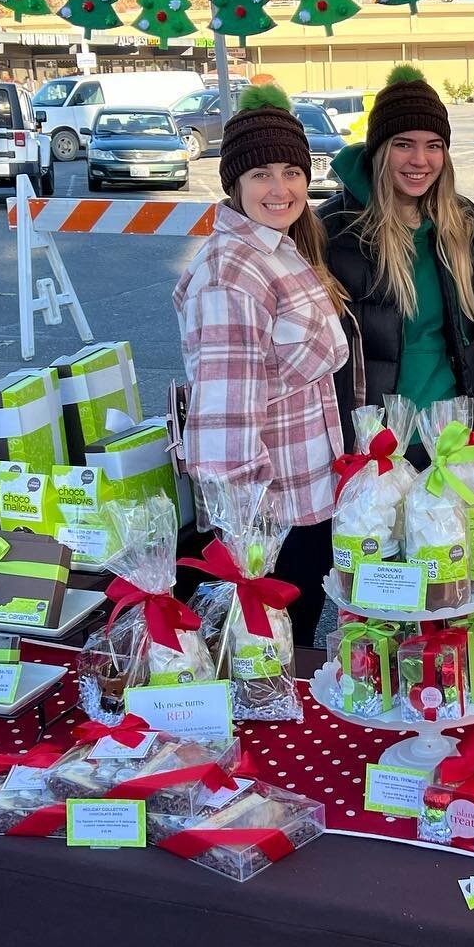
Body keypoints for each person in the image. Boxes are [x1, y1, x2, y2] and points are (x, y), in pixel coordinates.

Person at [173, 83, 348, 644]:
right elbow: (224, 426)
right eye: (261, 175)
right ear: (235, 184)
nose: (281, 188)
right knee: (266, 663)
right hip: (273, 522)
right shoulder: (233, 275)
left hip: (307, 499)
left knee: (286, 653)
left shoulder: (275, 246)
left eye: (292, 172)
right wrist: (251, 545)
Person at [319, 65, 474, 445]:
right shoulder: (334, 230)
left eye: (434, 145)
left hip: (450, 438)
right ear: (379, 150)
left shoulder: (462, 223)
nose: (420, 160)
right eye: (403, 144)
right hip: (375, 444)